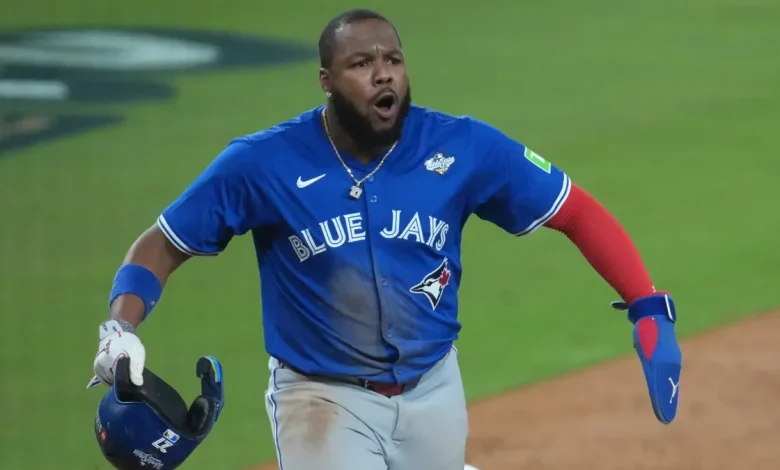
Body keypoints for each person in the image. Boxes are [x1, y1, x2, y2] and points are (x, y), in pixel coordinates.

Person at [88, 8, 682, 470]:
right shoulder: (261, 164)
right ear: (326, 79)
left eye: (393, 59)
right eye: (361, 63)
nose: (383, 74)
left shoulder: (462, 147)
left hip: (434, 390)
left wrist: (647, 304)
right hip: (322, 398)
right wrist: (122, 326)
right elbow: (163, 243)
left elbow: (574, 211)